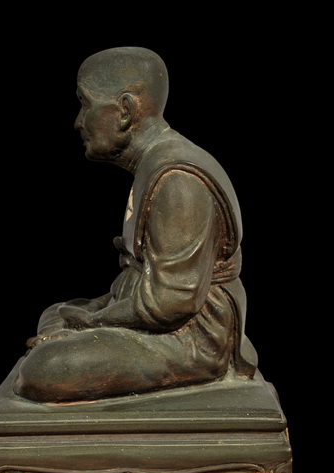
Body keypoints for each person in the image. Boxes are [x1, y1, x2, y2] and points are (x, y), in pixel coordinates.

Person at [13, 46, 257, 403]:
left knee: (48, 368)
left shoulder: (178, 180)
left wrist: (93, 323)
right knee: (55, 312)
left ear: (125, 111)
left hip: (192, 340)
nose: (78, 122)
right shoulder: (154, 164)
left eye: (85, 105)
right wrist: (90, 313)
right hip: (147, 309)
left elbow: (172, 303)